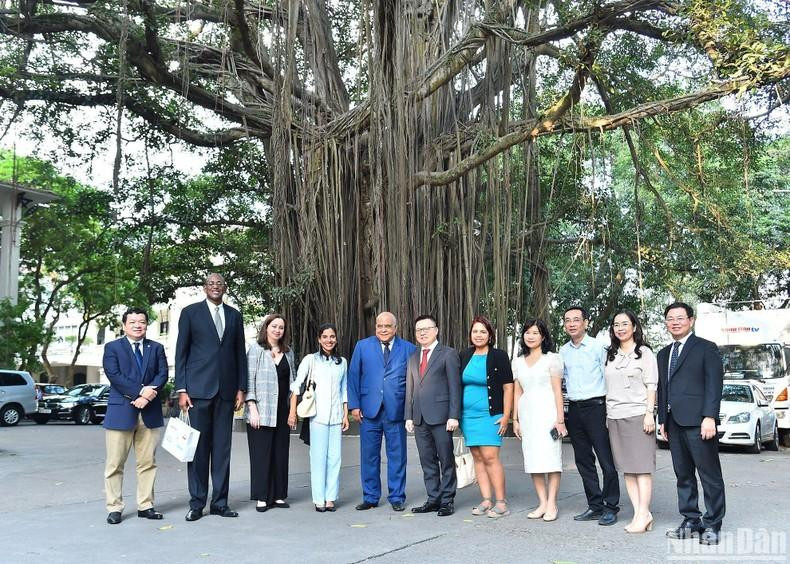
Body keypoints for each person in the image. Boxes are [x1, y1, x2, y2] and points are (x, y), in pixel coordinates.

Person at [175, 273, 247, 521]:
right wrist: (181, 389)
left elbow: (240, 354)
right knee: (197, 449)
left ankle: (219, 503)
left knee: (222, 450)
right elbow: (181, 353)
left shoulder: (235, 315)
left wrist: (241, 388)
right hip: (197, 392)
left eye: (220, 284)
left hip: (226, 393)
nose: (215, 287)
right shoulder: (190, 313)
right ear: (205, 288)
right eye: (211, 284)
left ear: (225, 288)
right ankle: (197, 502)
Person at [657, 302, 725, 545]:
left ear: (691, 320)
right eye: (670, 319)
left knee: (709, 476)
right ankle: (690, 519)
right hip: (674, 423)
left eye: (680, 318)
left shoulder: (706, 348)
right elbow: (662, 388)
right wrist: (662, 419)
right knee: (683, 475)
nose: (675, 322)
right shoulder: (663, 353)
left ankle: (713, 523)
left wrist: (710, 416)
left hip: (700, 422)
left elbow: (714, 385)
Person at [102, 307, 168, 525]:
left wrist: (147, 397)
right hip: (121, 411)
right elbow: (114, 375)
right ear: (124, 325)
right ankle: (114, 507)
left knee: (148, 462)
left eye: (142, 321)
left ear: (147, 324)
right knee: (115, 464)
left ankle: (146, 505)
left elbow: (163, 374)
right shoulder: (113, 347)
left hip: (149, 412)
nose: (137, 325)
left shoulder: (156, 347)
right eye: (133, 322)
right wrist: (140, 392)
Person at [347, 311, 416, 512]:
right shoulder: (362, 346)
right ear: (375, 327)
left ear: (396, 328)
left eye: (387, 326)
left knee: (397, 455)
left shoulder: (409, 349)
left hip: (396, 410)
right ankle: (370, 496)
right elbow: (353, 377)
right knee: (369, 456)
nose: (383, 329)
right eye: (380, 326)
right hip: (369, 410)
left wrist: (409, 410)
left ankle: (396, 496)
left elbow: (413, 381)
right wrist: (355, 405)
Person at [560, 305, 620, 525]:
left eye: (576, 320)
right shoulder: (563, 351)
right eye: (568, 320)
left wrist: (608, 410)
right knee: (583, 460)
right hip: (574, 410)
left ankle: (611, 506)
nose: (572, 324)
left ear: (586, 322)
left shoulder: (598, 347)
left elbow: (609, 379)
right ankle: (595, 505)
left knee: (606, 460)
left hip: (596, 407)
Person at [604, 310, 658, 534]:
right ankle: (639, 513)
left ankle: (644, 512)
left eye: (625, 323)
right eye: (616, 324)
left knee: (642, 467)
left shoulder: (644, 353)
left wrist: (649, 413)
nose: (620, 328)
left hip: (638, 415)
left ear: (634, 327)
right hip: (615, 415)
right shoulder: (611, 354)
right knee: (627, 468)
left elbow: (652, 385)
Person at [405, 315, 461, 517]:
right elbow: (410, 390)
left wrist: (454, 415)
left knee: (445, 459)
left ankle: (447, 500)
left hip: (441, 417)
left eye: (426, 328)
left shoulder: (448, 354)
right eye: (418, 329)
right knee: (426, 460)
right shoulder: (412, 357)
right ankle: (433, 498)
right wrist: (408, 416)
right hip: (419, 418)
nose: (422, 332)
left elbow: (455, 387)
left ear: (436, 330)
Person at [289, 323, 349, 512]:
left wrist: (346, 414)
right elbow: (296, 385)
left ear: (336, 339)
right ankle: (319, 498)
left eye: (332, 336)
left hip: (336, 416)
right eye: (325, 336)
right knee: (318, 457)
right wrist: (292, 412)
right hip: (317, 416)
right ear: (319, 339)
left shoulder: (342, 362)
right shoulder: (311, 360)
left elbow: (344, 390)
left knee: (335, 458)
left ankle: (331, 497)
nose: (329, 340)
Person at [458, 316, 514, 518]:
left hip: (491, 415)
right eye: (475, 331)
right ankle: (486, 499)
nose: (478, 335)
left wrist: (506, 415)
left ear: (490, 335)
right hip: (468, 417)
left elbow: (508, 387)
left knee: (490, 457)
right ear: (470, 335)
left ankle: (501, 502)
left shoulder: (499, 356)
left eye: (483, 331)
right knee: (478, 458)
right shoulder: (464, 355)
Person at [512, 318, 566, 522]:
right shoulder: (517, 362)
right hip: (528, 414)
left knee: (551, 459)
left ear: (543, 336)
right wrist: (515, 419)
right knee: (533, 459)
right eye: (527, 332)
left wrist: (560, 419)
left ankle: (552, 503)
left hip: (548, 413)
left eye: (535, 333)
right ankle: (542, 502)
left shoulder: (552, 359)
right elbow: (517, 392)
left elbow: (557, 391)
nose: (531, 336)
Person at [245, 313, 296, 512]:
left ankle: (278, 495)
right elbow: (249, 380)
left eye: (281, 327)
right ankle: (262, 496)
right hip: (261, 410)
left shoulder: (289, 352)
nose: (277, 330)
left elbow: (294, 383)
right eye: (274, 326)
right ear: (266, 327)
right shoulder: (256, 350)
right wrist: (252, 408)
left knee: (280, 453)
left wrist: (292, 411)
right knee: (261, 454)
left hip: (282, 410)